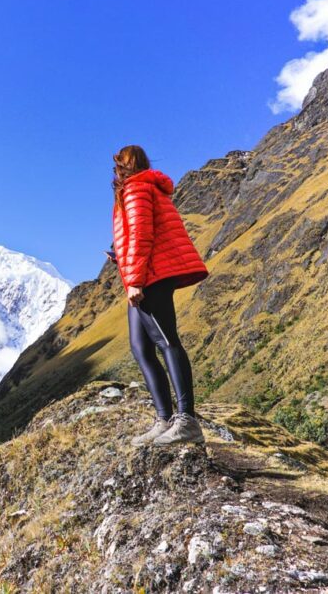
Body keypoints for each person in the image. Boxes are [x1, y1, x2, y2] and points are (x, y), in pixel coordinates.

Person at [110, 145, 209, 445]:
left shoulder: (137, 190)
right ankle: (164, 418)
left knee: (167, 342)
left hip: (149, 277)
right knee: (141, 347)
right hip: (141, 276)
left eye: (117, 167)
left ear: (123, 167)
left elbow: (142, 235)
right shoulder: (141, 190)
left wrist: (136, 279)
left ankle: (186, 421)